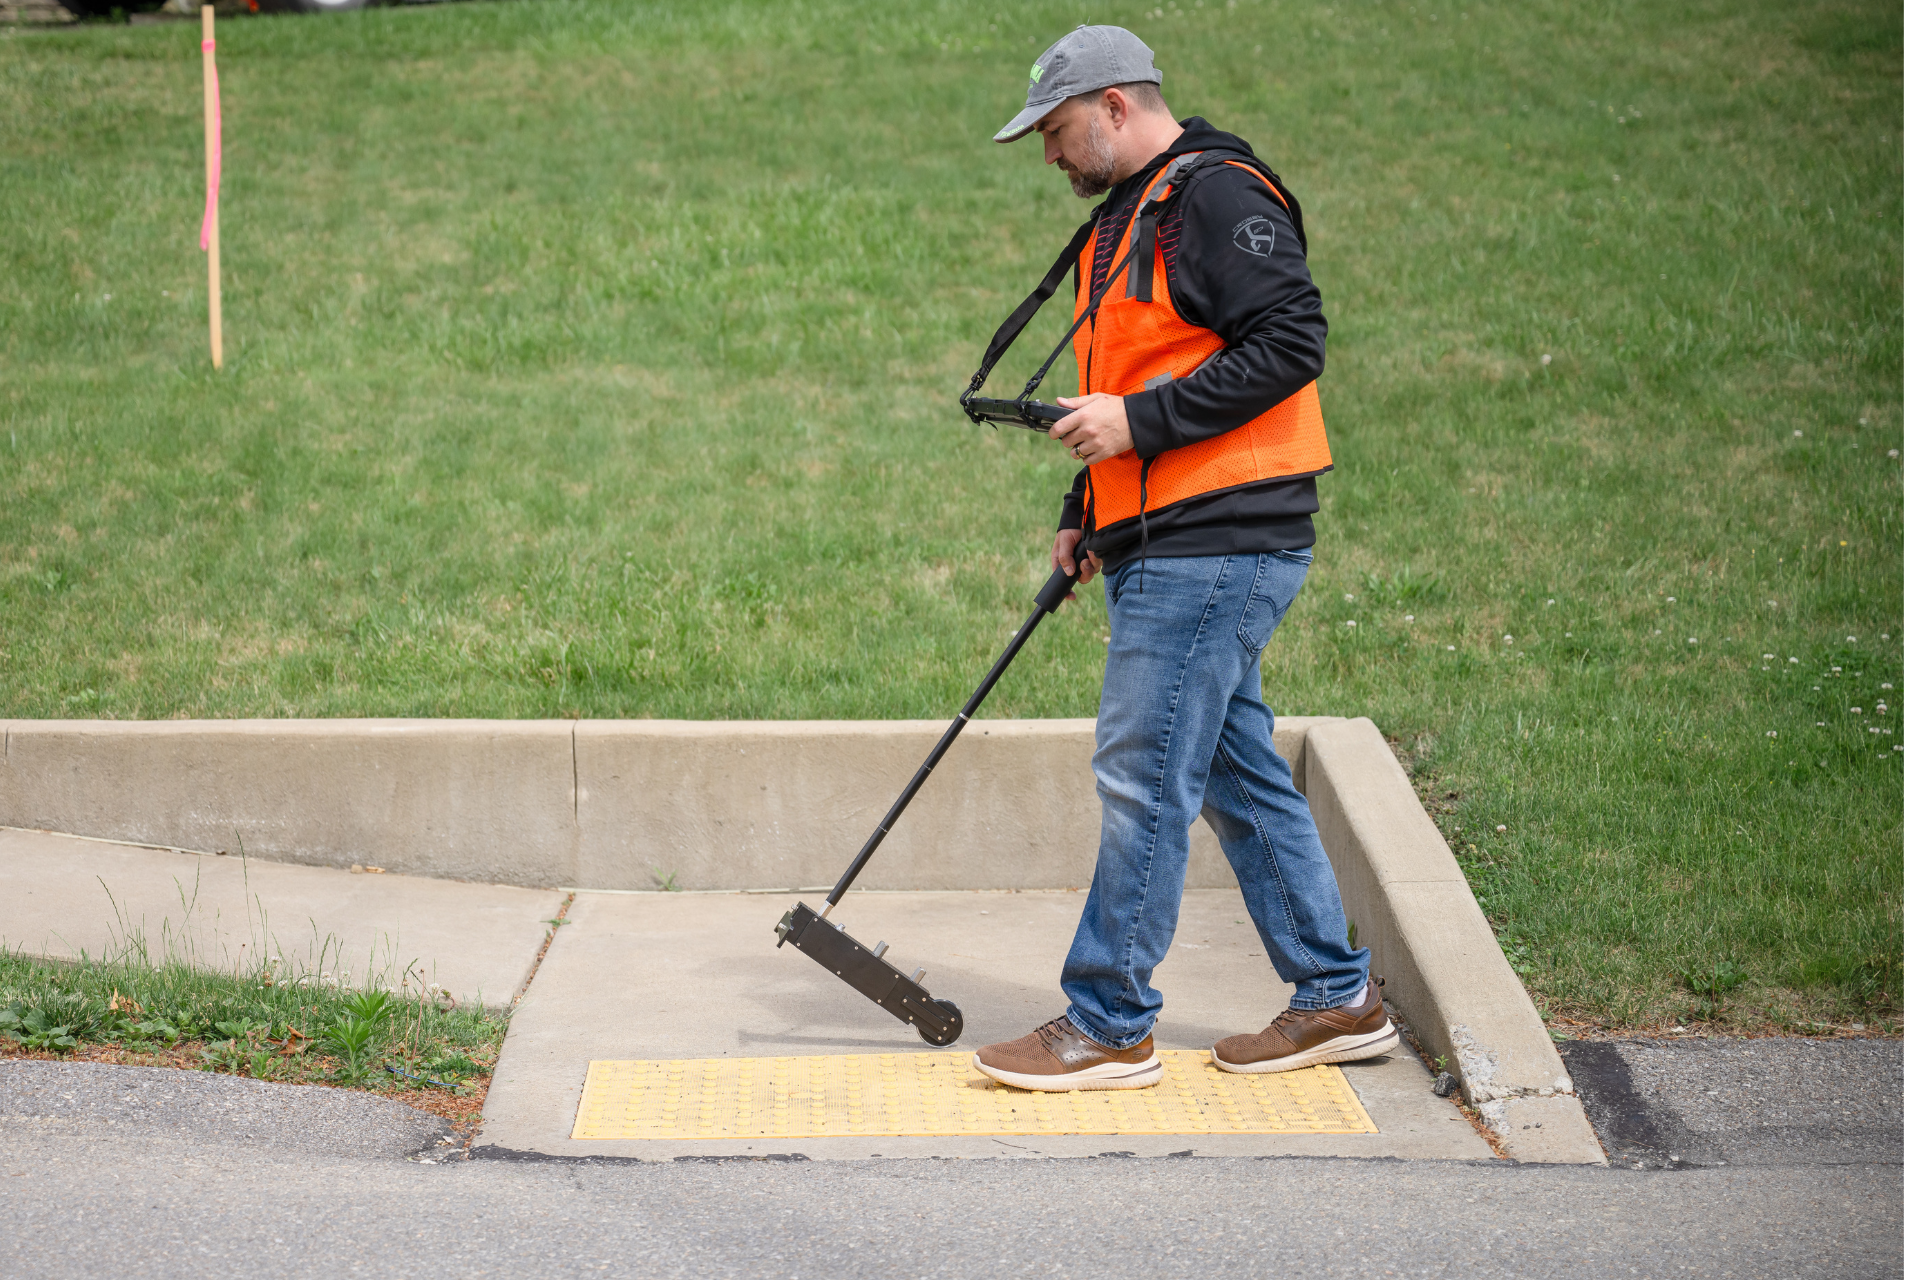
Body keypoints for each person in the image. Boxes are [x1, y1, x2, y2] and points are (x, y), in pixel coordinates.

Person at [969, 25, 1397, 1091]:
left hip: (1222, 539)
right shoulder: (1135, 208)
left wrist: (1140, 427)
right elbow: (1135, 378)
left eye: (1060, 132)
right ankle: (1336, 995)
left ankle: (1109, 1021)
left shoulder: (1213, 196)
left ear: (1116, 105)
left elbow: (1292, 340)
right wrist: (1086, 506)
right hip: (1165, 534)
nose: (1054, 157)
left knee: (1142, 773)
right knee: (1230, 770)